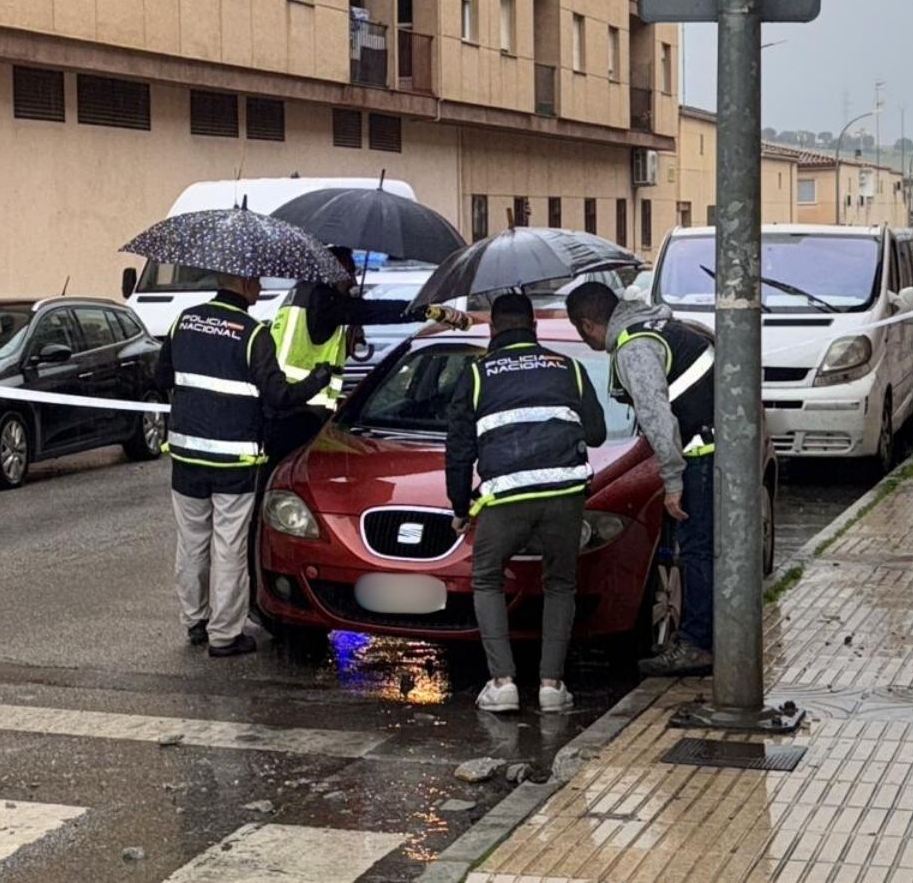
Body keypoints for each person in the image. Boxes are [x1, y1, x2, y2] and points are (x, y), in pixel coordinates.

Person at [156, 274, 334, 658]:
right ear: (241, 283)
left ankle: (194, 621)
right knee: (229, 545)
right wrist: (318, 379)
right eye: (254, 280)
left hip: (186, 455)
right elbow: (280, 396)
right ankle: (224, 636)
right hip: (234, 459)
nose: (258, 286)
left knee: (191, 542)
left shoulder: (183, 321)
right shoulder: (253, 334)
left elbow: (160, 376)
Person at [445, 293, 607, 713]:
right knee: (560, 583)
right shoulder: (568, 367)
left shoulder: (477, 373)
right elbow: (596, 433)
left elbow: (459, 448)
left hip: (506, 497)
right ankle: (552, 687)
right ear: (533, 328)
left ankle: (503, 684)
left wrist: (460, 508)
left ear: (494, 329)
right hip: (564, 494)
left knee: (486, 579)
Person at [565, 280, 718, 676]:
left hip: (702, 456)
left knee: (698, 550)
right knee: (712, 551)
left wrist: (673, 481)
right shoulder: (662, 328)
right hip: (724, 450)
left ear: (586, 325)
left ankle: (699, 646)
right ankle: (715, 638)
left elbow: (655, 415)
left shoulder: (633, 348)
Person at [265, 246, 471, 465]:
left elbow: (315, 338)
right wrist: (427, 311)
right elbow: (374, 310)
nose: (353, 281)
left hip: (284, 404)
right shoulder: (321, 298)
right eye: (349, 272)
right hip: (297, 409)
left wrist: (349, 329)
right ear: (332, 271)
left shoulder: (302, 293)